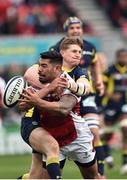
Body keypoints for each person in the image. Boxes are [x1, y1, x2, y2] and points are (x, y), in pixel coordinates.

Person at [19, 49, 100, 179]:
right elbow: (23, 105)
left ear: (57, 68)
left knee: (92, 176)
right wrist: (48, 89)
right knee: (44, 169)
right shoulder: (38, 79)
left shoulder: (68, 83)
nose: (39, 69)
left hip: (76, 136)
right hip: (50, 134)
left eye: (44, 66)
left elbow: (63, 109)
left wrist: (37, 101)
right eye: (39, 65)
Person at [50, 16, 105, 177]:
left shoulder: (90, 47)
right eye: (72, 28)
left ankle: (101, 174)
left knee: (94, 131)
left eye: (78, 27)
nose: (76, 30)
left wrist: (99, 80)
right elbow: (41, 70)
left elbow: (95, 63)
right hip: (62, 99)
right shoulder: (56, 48)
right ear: (66, 30)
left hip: (84, 93)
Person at [102, 48, 127, 174]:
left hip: (124, 106)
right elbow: (101, 87)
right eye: (121, 56)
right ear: (117, 57)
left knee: (125, 129)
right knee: (108, 134)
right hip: (111, 105)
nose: (124, 58)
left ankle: (125, 163)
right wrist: (111, 96)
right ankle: (107, 156)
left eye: (125, 56)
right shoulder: (109, 71)